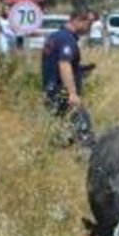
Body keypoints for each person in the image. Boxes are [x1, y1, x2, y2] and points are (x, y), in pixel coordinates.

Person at [41, 8, 98, 147]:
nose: (89, 28)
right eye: (88, 24)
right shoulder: (68, 40)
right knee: (83, 130)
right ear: (78, 20)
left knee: (63, 132)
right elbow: (64, 64)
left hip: (51, 92)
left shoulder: (54, 36)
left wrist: (81, 70)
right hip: (63, 95)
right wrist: (72, 94)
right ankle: (88, 162)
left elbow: (53, 64)